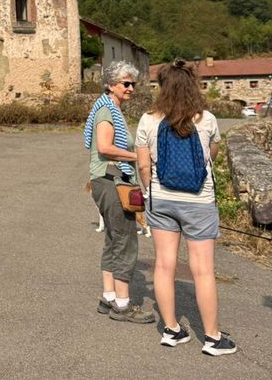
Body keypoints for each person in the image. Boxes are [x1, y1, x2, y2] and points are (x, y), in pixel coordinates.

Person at [136, 59, 236, 355]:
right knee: (203, 270)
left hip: (161, 199)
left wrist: (151, 191)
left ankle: (171, 330)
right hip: (199, 202)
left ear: (162, 87)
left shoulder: (148, 119)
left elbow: (143, 165)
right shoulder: (206, 119)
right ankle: (213, 337)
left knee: (164, 265)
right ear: (194, 86)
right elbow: (212, 156)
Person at [84, 61, 156, 324]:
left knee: (113, 239)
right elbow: (104, 147)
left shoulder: (110, 108)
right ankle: (123, 306)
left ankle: (109, 297)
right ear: (111, 84)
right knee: (125, 240)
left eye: (133, 83)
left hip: (107, 179)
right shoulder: (106, 110)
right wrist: (138, 155)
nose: (131, 88)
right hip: (112, 180)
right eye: (125, 83)